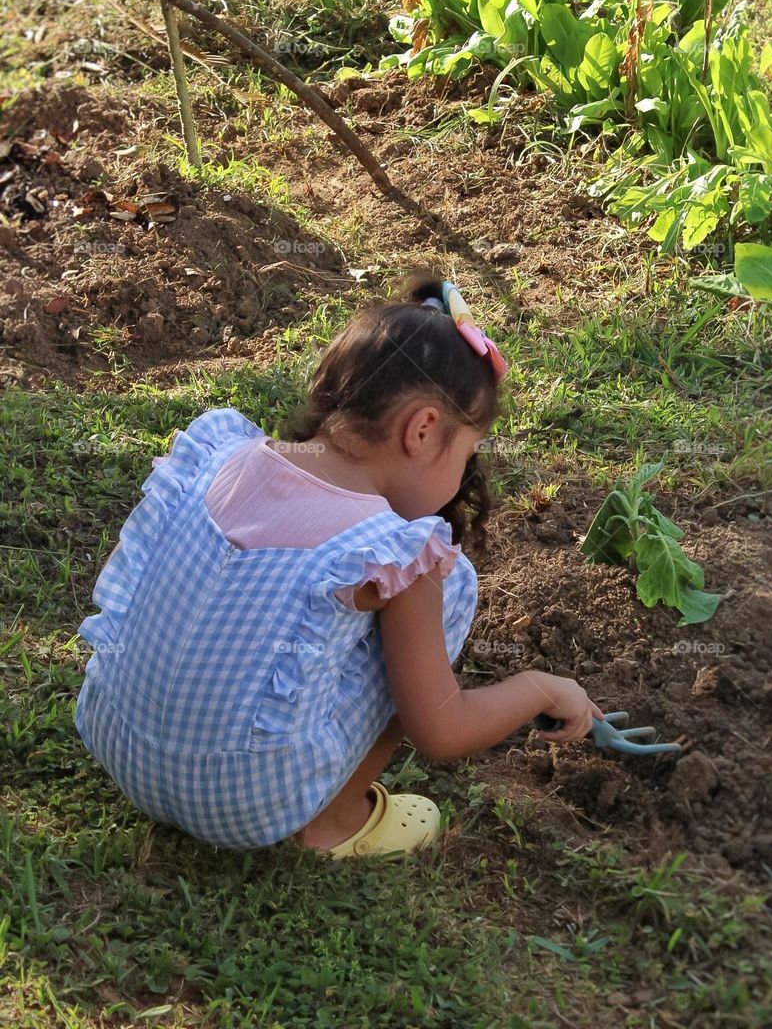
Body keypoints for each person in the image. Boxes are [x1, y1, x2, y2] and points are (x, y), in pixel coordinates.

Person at [74, 271, 601, 857]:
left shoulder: (223, 454)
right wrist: (540, 687)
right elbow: (442, 730)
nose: (466, 474)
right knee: (450, 587)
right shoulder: (393, 549)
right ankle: (332, 823)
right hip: (240, 802)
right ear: (423, 430)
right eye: (468, 452)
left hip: (115, 739)